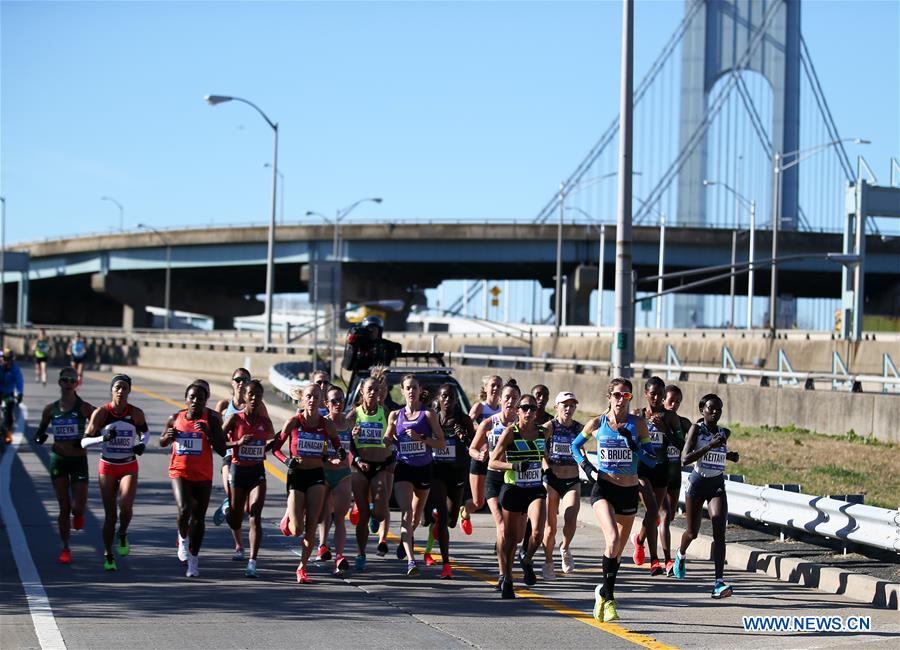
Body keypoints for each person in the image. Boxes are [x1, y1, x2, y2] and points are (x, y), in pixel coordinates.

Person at [572, 378, 656, 622]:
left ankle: (602, 592)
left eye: (626, 395)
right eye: (617, 395)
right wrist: (587, 468)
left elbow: (652, 461)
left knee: (616, 551)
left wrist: (634, 446)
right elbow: (575, 447)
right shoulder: (597, 423)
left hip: (628, 492)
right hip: (604, 488)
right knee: (613, 539)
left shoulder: (638, 424)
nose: (621, 399)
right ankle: (610, 600)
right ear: (609, 397)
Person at [271, 384, 344, 584]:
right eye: (309, 396)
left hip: (316, 476)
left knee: (311, 525)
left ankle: (302, 567)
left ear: (321, 401)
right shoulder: (294, 422)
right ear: (302, 399)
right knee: (296, 529)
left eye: (316, 397)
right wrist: (286, 460)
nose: (312, 400)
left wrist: (338, 455)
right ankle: (289, 515)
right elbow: (275, 448)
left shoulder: (327, 425)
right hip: (297, 475)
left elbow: (338, 447)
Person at [81, 374, 149, 571]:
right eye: (117, 387)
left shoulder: (136, 413)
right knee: (110, 516)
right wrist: (102, 439)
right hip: (108, 466)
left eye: (124, 388)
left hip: (128, 465)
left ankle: (123, 533)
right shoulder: (102, 413)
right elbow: (84, 442)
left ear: (129, 391)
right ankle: (108, 554)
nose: (120, 391)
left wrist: (142, 444)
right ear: (111, 390)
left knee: (126, 507)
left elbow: (145, 433)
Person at [675, 393, 739, 599]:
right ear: (702, 410)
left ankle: (718, 582)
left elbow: (718, 453)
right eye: (711, 408)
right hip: (697, 484)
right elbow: (685, 459)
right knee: (692, 532)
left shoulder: (724, 432)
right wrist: (710, 445)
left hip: (716, 485)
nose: (715, 412)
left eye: (718, 408)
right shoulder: (696, 429)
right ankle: (681, 554)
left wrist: (729, 455)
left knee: (719, 531)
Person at [159, 382, 226, 577]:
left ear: (206, 401)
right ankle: (182, 538)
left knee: (198, 519)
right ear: (186, 399)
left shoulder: (211, 420)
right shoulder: (175, 418)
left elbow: (223, 450)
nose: (196, 401)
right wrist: (168, 436)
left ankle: (193, 560)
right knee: (184, 509)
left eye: (200, 398)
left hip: (203, 475)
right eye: (192, 397)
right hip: (179, 471)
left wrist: (209, 434)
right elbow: (162, 441)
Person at [33, 367, 95, 564]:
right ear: (59, 382)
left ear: (77, 383)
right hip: (58, 460)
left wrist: (88, 436)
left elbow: (101, 421)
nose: (68, 383)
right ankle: (65, 547)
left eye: (72, 380)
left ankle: (79, 515)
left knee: (78, 507)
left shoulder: (84, 408)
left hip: (78, 461)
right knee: (64, 507)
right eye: (65, 380)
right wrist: (39, 437)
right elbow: (39, 432)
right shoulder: (50, 409)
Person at [384, 375, 445, 576]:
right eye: (408, 388)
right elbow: (387, 438)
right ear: (402, 391)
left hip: (424, 469)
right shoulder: (395, 415)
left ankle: (406, 538)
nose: (411, 391)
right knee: (407, 512)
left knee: (416, 517)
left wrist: (422, 438)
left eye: (414, 388)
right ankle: (411, 561)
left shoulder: (427, 415)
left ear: (420, 391)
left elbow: (441, 443)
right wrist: (389, 440)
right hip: (404, 468)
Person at [489, 392, 546, 599]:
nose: (528, 411)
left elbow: (545, 456)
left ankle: (527, 559)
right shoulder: (510, 433)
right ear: (517, 411)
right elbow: (492, 462)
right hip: (513, 488)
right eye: (524, 408)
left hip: (535, 488)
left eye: (532, 408)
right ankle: (508, 578)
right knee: (511, 538)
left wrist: (549, 470)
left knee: (537, 533)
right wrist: (513, 466)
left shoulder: (543, 432)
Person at [464, 379, 520, 586]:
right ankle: (503, 574)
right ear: (501, 400)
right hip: (493, 478)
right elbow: (472, 448)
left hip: (513, 480)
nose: (510, 402)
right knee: (502, 526)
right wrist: (479, 455)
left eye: (514, 398)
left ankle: (506, 564)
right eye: (507, 397)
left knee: (515, 536)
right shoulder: (489, 423)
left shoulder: (522, 425)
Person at [422, 383, 475, 579]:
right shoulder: (432, 418)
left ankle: (451, 515)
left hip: (457, 473)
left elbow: (474, 444)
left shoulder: (463, 419)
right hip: (437, 471)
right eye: (444, 396)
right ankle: (446, 565)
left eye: (451, 397)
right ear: (438, 398)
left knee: (451, 521)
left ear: (455, 400)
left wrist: (465, 437)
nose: (448, 400)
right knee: (443, 517)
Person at [632, 377, 683, 576]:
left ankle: (639, 541)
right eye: (653, 394)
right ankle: (656, 560)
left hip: (661, 469)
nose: (656, 398)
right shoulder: (637, 415)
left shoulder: (670, 417)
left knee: (657, 515)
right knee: (653, 511)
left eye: (660, 394)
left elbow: (681, 445)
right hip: (642, 469)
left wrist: (665, 430)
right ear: (646, 393)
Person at [223, 379, 275, 577]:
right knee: (236, 519)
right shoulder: (235, 419)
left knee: (255, 515)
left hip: (257, 472)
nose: (254, 398)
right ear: (244, 396)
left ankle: (252, 562)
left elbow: (272, 440)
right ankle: (228, 509)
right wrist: (237, 443)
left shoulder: (264, 422)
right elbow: (217, 442)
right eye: (251, 394)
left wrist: (266, 446)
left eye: (258, 395)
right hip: (238, 470)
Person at [349, 377, 393, 571]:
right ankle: (361, 554)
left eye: (377, 389)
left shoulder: (385, 412)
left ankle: (376, 512)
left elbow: (394, 433)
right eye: (370, 389)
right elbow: (345, 439)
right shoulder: (355, 414)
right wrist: (352, 437)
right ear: (362, 392)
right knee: (363, 515)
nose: (374, 393)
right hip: (360, 467)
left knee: (381, 513)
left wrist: (391, 441)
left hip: (379, 466)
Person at [541, 391, 583, 579]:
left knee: (571, 519)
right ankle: (548, 561)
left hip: (572, 480)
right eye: (565, 405)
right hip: (552, 481)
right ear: (556, 407)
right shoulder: (549, 427)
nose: (568, 409)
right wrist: (546, 468)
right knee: (550, 527)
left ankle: (565, 547)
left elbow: (584, 447)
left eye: (572, 405)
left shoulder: (579, 428)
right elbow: (539, 449)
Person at [316, 386, 355, 575]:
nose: (338, 403)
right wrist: (328, 460)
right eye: (334, 400)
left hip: (343, 474)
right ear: (326, 404)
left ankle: (339, 556)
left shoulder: (349, 423)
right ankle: (322, 545)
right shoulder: (322, 424)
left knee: (339, 516)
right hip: (324, 473)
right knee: (324, 511)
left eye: (341, 400)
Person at [661, 384, 690, 575]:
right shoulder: (655, 420)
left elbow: (688, 445)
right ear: (663, 400)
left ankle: (639, 539)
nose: (674, 405)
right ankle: (668, 561)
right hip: (657, 475)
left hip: (674, 475)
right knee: (663, 516)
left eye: (678, 402)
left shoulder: (683, 422)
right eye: (671, 401)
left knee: (669, 516)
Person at [0, 349, 24, 444]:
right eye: (5, 359)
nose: (7, 361)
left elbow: (19, 381)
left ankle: (8, 434)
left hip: (8, 393)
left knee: (9, 413)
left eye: (9, 359)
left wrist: (20, 394)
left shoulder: (15, 369)